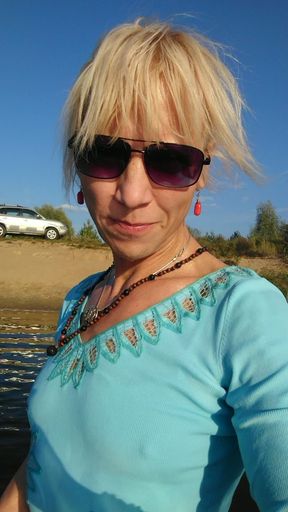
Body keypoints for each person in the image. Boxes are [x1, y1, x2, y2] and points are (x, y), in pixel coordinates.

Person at [1, 18, 288, 512]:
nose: (132, 195)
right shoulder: (81, 296)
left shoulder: (243, 312)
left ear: (201, 172)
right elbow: (42, 457)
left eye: (171, 161)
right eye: (104, 153)